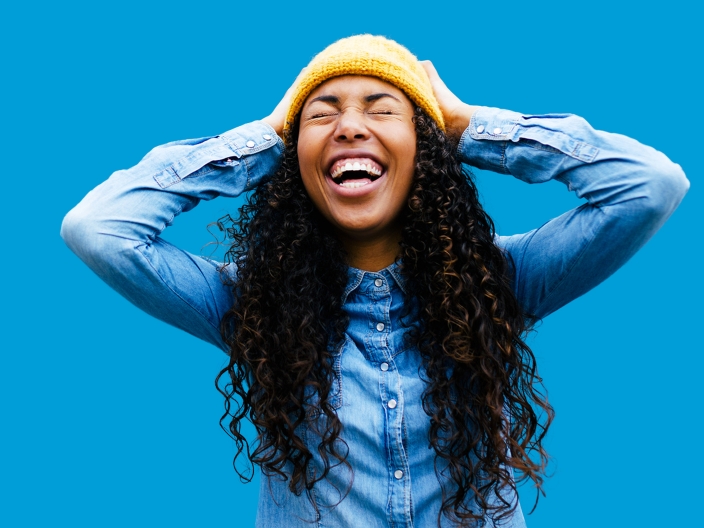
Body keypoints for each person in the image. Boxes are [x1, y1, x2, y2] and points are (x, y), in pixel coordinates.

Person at [61, 35, 689, 527]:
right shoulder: (252, 304)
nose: (350, 126)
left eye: (382, 109)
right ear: (293, 157)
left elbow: (649, 186)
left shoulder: (498, 282)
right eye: (321, 114)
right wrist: (263, 136)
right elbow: (99, 227)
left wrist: (468, 126)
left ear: (425, 148)